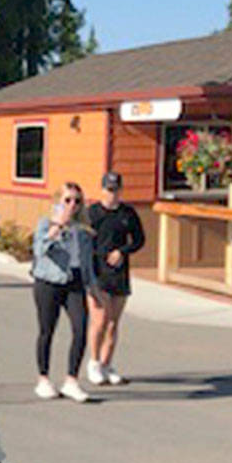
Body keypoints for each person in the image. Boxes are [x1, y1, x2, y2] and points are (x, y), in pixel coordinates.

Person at [31, 181, 93, 402]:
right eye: (67, 200)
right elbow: (39, 250)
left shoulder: (83, 229)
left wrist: (92, 286)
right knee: (47, 329)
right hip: (48, 280)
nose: (72, 205)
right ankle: (43, 378)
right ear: (58, 201)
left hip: (74, 282)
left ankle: (72, 380)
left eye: (77, 201)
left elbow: (87, 261)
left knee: (81, 327)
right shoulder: (45, 223)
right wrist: (56, 228)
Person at [86, 170, 145, 385]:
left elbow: (139, 240)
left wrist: (123, 251)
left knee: (113, 323)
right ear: (102, 190)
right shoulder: (92, 213)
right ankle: (93, 362)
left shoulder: (127, 213)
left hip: (119, 272)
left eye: (116, 190)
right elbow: (84, 240)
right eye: (109, 190)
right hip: (97, 272)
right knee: (100, 320)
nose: (113, 194)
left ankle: (106, 364)